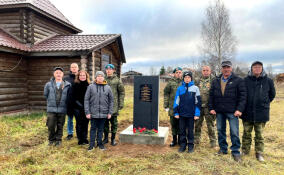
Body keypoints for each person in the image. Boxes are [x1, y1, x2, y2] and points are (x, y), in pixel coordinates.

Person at [208, 60, 247, 162]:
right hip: (219, 111)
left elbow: (243, 96)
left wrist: (239, 109)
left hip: (233, 111)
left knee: (234, 132)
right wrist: (211, 108)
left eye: (228, 67)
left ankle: (235, 152)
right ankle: (223, 149)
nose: (226, 69)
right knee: (220, 131)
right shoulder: (216, 80)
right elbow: (211, 95)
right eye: (224, 67)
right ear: (221, 69)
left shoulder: (238, 80)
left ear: (231, 68)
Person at [241, 61, 276, 162]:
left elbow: (272, 95)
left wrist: (264, 103)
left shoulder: (268, 81)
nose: (257, 68)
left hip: (261, 112)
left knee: (259, 134)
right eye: (255, 67)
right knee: (246, 133)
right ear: (251, 69)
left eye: (259, 67)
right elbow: (242, 94)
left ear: (262, 69)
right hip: (247, 112)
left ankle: (259, 153)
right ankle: (245, 150)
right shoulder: (245, 80)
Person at [84, 71, 113, 151]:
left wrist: (110, 112)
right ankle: (91, 145)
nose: (100, 77)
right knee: (93, 129)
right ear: (96, 78)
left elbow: (111, 101)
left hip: (104, 113)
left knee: (101, 129)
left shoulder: (108, 87)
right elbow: (86, 100)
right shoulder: (91, 87)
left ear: (104, 78)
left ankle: (100, 144)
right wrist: (87, 112)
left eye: (101, 76)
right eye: (98, 76)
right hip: (93, 113)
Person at [173, 71, 201, 153]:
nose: (187, 79)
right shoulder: (180, 88)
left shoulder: (196, 88)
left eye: (189, 77)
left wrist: (197, 114)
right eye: (185, 77)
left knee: (190, 131)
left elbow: (198, 102)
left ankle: (191, 146)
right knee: (182, 131)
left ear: (191, 78)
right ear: (183, 78)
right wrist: (176, 112)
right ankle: (183, 146)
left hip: (191, 114)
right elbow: (176, 101)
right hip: (181, 114)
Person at [44, 67, 71, 146]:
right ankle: (51, 139)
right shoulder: (48, 84)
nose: (58, 74)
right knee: (51, 125)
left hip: (62, 109)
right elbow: (45, 95)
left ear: (62, 74)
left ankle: (58, 140)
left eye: (60, 73)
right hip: (51, 109)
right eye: (57, 73)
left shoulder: (68, 85)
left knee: (60, 125)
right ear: (54, 74)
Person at [103, 64, 125, 146]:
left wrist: (121, 103)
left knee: (114, 123)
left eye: (110, 69)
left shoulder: (117, 80)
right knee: (105, 123)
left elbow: (122, 92)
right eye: (107, 69)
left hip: (114, 106)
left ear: (113, 70)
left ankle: (113, 139)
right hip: (104, 105)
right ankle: (105, 138)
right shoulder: (103, 79)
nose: (108, 70)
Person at [194, 66, 217, 148]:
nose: (205, 72)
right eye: (204, 70)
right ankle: (196, 140)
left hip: (209, 107)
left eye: (207, 70)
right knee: (197, 124)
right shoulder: (197, 80)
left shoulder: (214, 80)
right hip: (199, 106)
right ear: (202, 71)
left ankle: (213, 142)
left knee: (210, 125)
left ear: (210, 71)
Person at [164, 67, 183, 147]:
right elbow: (166, 94)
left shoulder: (184, 82)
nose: (178, 74)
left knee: (181, 125)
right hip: (173, 108)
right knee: (174, 124)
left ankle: (180, 141)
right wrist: (166, 105)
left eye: (180, 72)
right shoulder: (170, 83)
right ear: (174, 74)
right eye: (177, 72)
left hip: (182, 108)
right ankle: (174, 140)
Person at [72, 70, 91, 145]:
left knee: (86, 123)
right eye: (81, 75)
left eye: (84, 75)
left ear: (86, 76)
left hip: (87, 108)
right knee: (79, 123)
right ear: (78, 76)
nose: (82, 77)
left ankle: (85, 138)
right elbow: (73, 97)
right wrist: (80, 106)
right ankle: (80, 139)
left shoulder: (89, 85)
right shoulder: (75, 85)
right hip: (77, 107)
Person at [64, 63, 79, 140]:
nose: (74, 68)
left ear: (78, 68)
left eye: (75, 67)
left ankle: (79, 133)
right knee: (70, 119)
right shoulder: (66, 79)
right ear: (70, 69)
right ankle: (70, 133)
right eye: (72, 67)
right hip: (69, 103)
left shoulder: (80, 77)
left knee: (78, 119)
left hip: (78, 103)